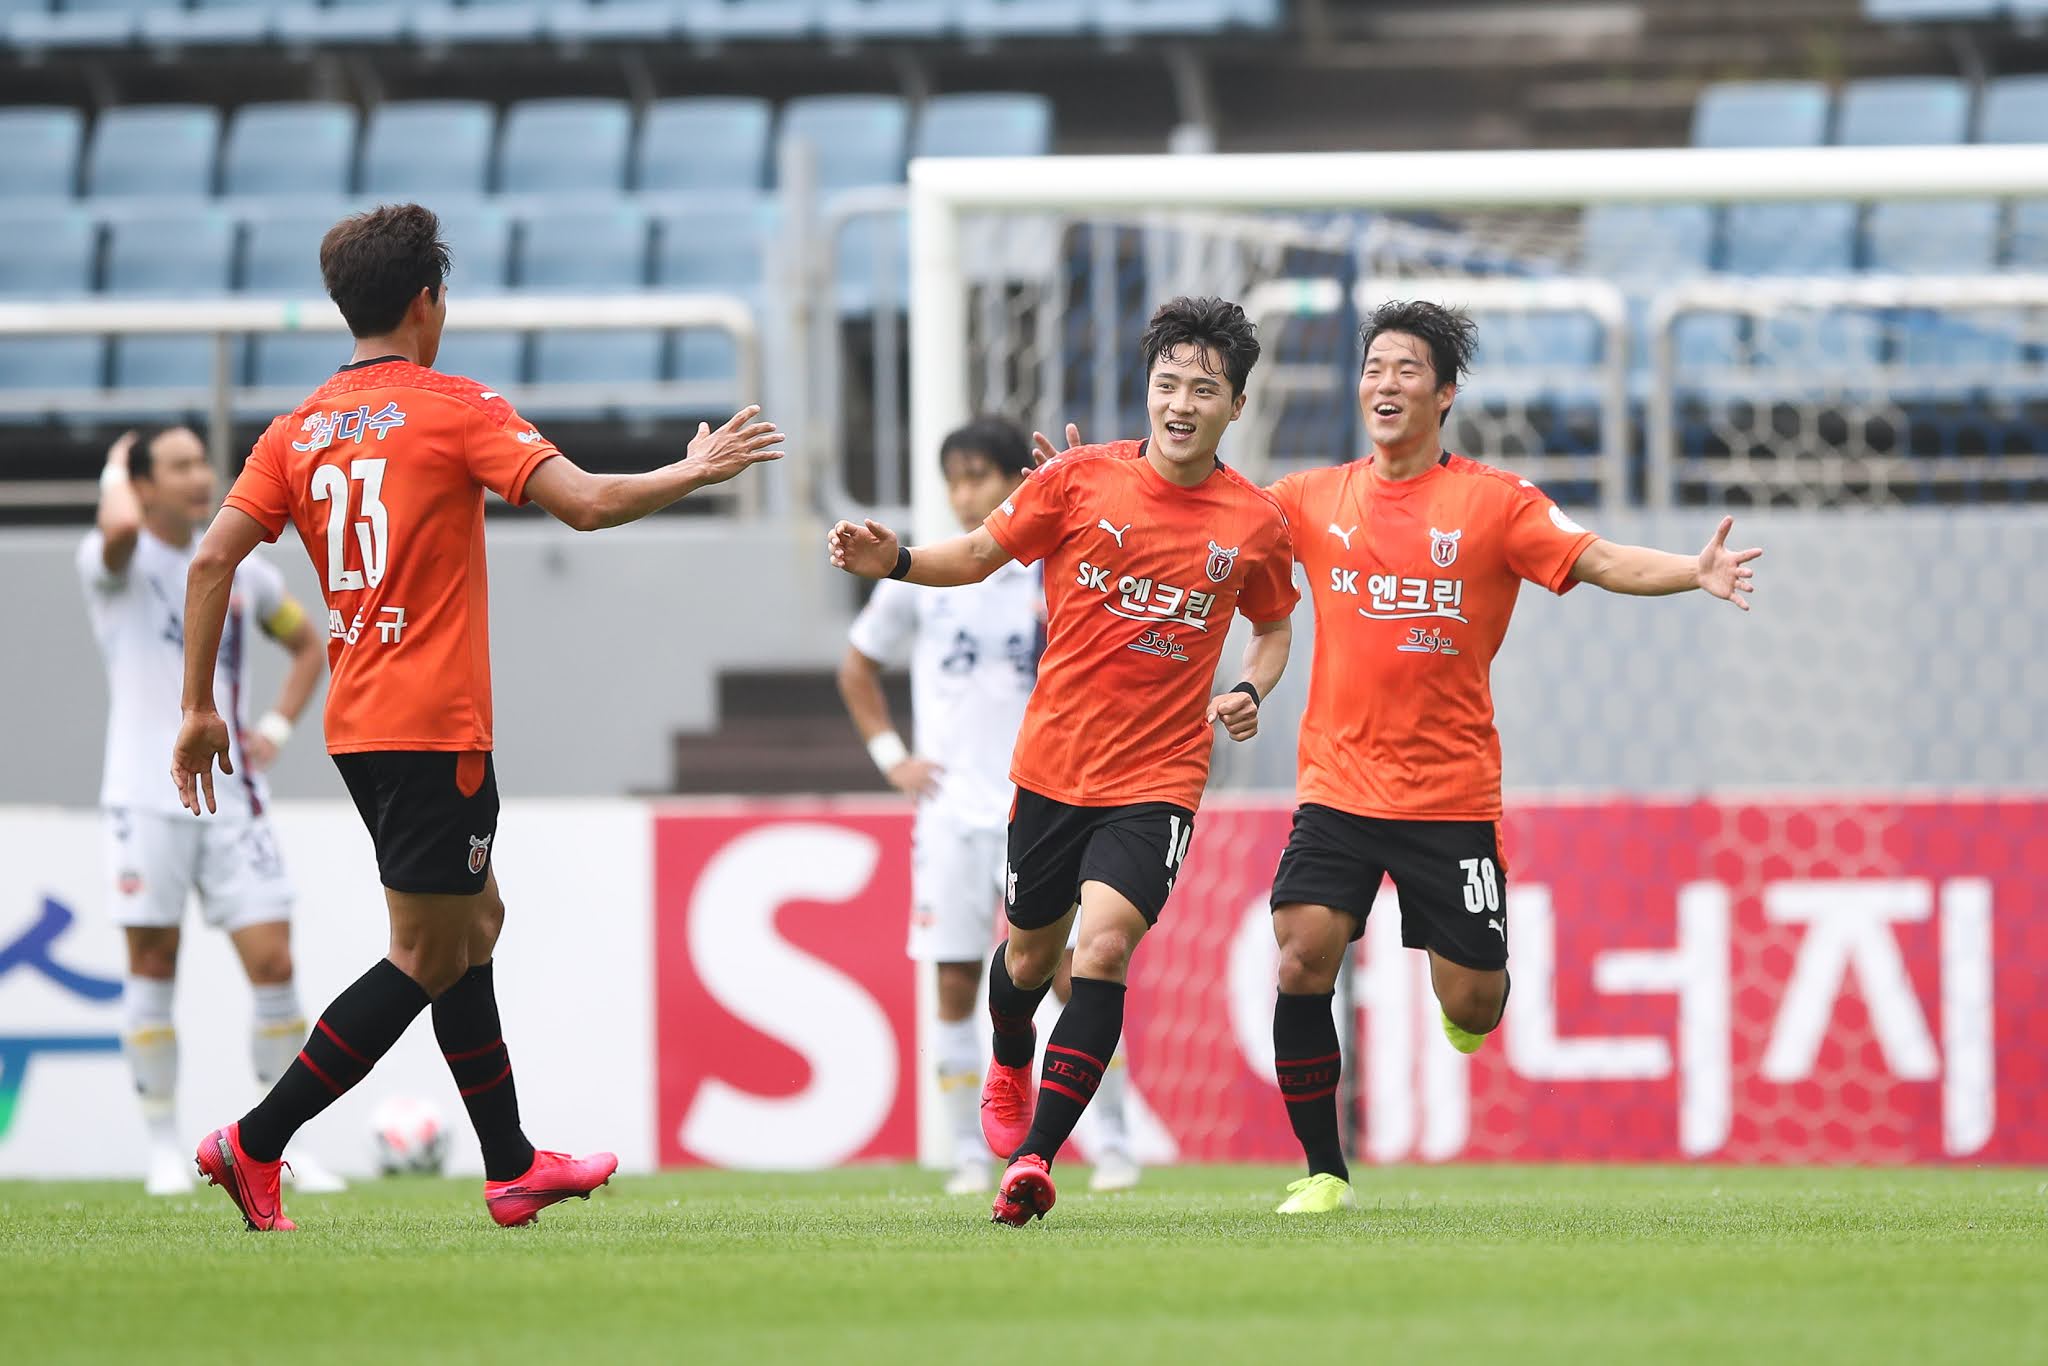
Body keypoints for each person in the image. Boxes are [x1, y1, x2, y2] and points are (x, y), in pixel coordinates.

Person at [171, 203, 784, 1231]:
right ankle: (255, 1140)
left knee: (474, 923)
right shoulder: (455, 407)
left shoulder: (296, 429)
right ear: (427, 301)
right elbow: (584, 503)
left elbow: (209, 558)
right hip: (434, 728)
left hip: (361, 724)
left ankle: (509, 1164)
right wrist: (697, 469)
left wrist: (197, 707)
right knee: (422, 950)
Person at [1261, 300, 1762, 1214]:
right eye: (1374, 367)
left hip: (1450, 797)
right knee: (1300, 956)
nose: (1385, 383)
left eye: (1408, 369)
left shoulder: (1494, 503)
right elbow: (1209, 518)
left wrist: (1692, 571)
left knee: (1475, 1003)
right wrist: (1107, 484)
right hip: (1336, 786)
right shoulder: (1307, 498)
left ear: (1445, 393)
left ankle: (1469, 1008)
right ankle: (1324, 1171)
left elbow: (1598, 558)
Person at [829, 296, 1297, 1226]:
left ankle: (1035, 1156)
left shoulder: (1254, 522)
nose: (1181, 402)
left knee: (1105, 948)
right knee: (1029, 957)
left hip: (1159, 781)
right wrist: (897, 558)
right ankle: (1008, 1056)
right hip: (1049, 770)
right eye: (1168, 383)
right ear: (1148, 389)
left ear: (1235, 407)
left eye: (1205, 389)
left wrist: (1250, 690)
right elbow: (974, 556)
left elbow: (1275, 627)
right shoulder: (1079, 480)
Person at [836, 417, 1139, 1197]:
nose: (965, 492)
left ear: (1017, 481)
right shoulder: (929, 578)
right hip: (951, 813)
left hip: (1047, 797)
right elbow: (858, 667)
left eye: (981, 475)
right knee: (956, 980)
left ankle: (1112, 1143)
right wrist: (890, 757)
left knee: (1073, 971)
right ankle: (969, 1151)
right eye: (955, 477)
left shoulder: (1054, 566)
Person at [78, 424, 340, 1197]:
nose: (202, 476)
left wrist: (277, 728)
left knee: (275, 963)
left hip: (233, 798)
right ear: (143, 484)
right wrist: (111, 471)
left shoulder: (246, 574)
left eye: (204, 461)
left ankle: (285, 1143)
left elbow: (309, 645)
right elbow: (120, 525)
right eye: (180, 465)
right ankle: (163, 1145)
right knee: (153, 965)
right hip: (142, 795)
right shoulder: (111, 565)